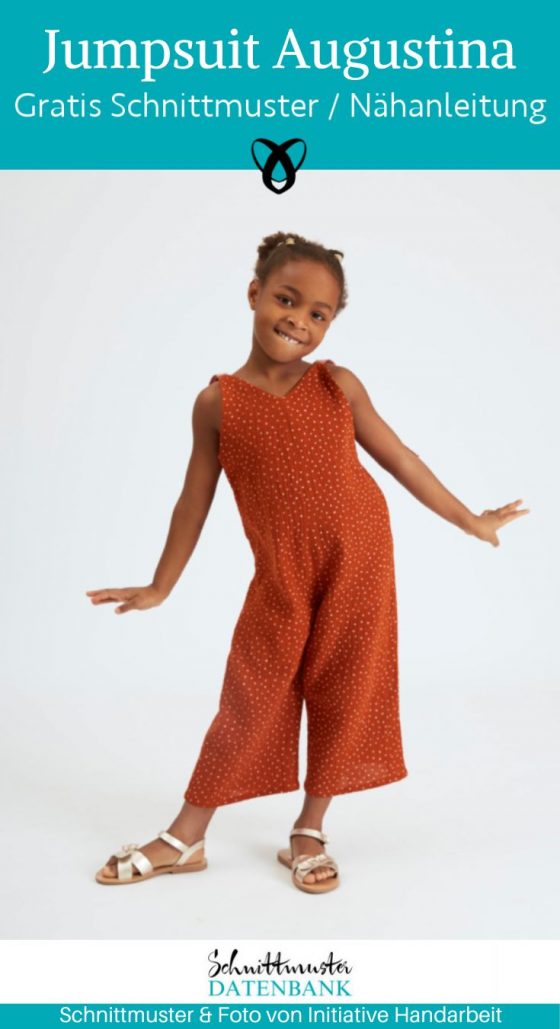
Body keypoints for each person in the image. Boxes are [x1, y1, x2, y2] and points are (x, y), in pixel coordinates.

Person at [88, 230, 529, 894]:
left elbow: (401, 458)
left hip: (361, 558)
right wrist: (160, 585)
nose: (298, 320)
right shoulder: (217, 404)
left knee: (344, 687)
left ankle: (309, 828)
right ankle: (187, 836)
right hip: (284, 572)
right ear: (254, 293)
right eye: (287, 300)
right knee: (250, 695)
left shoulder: (336, 384)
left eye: (318, 313)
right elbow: (192, 502)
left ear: (330, 325)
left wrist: (471, 519)